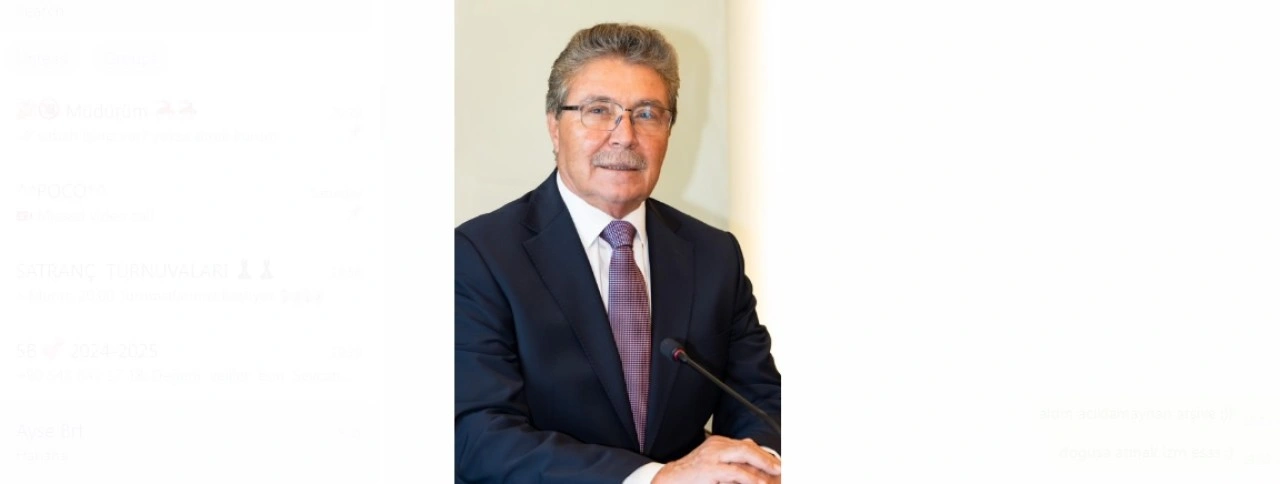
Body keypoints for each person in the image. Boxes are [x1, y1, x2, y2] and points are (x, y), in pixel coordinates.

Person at [455, 23, 782, 483]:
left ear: (669, 130)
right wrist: (653, 479)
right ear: (554, 126)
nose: (624, 135)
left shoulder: (715, 255)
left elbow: (761, 402)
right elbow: (477, 436)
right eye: (598, 110)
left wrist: (755, 464)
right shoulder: (480, 255)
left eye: (647, 113)